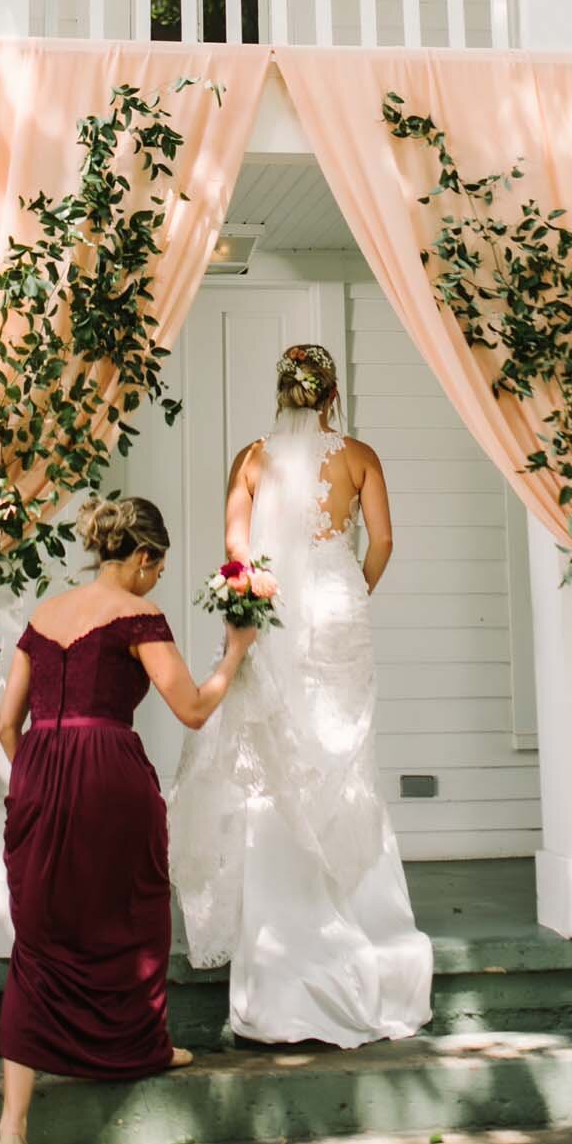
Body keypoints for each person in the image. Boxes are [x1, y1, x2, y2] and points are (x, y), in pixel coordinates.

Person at [169, 344, 433, 1047]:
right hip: (337, 600)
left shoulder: (252, 459)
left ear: (281, 391)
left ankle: (284, 936)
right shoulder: (359, 455)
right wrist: (353, 583)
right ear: (330, 394)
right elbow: (382, 539)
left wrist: (251, 601)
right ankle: (361, 915)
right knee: (345, 753)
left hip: (277, 607)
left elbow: (236, 553)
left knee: (275, 749)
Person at [0, 494, 252, 1144]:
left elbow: (4, 725)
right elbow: (192, 707)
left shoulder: (43, 616)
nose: (157, 579)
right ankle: (145, 1044)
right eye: (158, 567)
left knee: (39, 939)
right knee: (133, 911)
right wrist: (235, 654)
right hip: (109, 769)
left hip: (41, 774)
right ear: (143, 556)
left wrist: (38, 781)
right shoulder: (138, 616)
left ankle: (12, 1129)